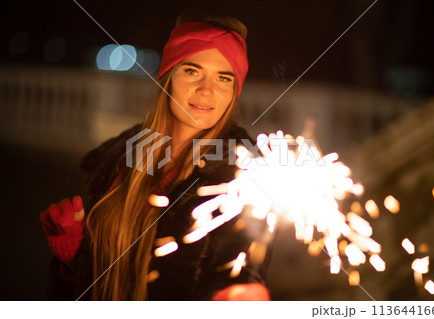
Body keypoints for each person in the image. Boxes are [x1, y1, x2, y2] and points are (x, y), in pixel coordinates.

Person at [40, 11, 274, 301]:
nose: (206, 90)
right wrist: (75, 260)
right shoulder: (121, 156)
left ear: (233, 92)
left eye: (223, 78)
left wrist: (237, 292)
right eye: (192, 71)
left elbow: (242, 263)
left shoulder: (245, 173)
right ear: (168, 77)